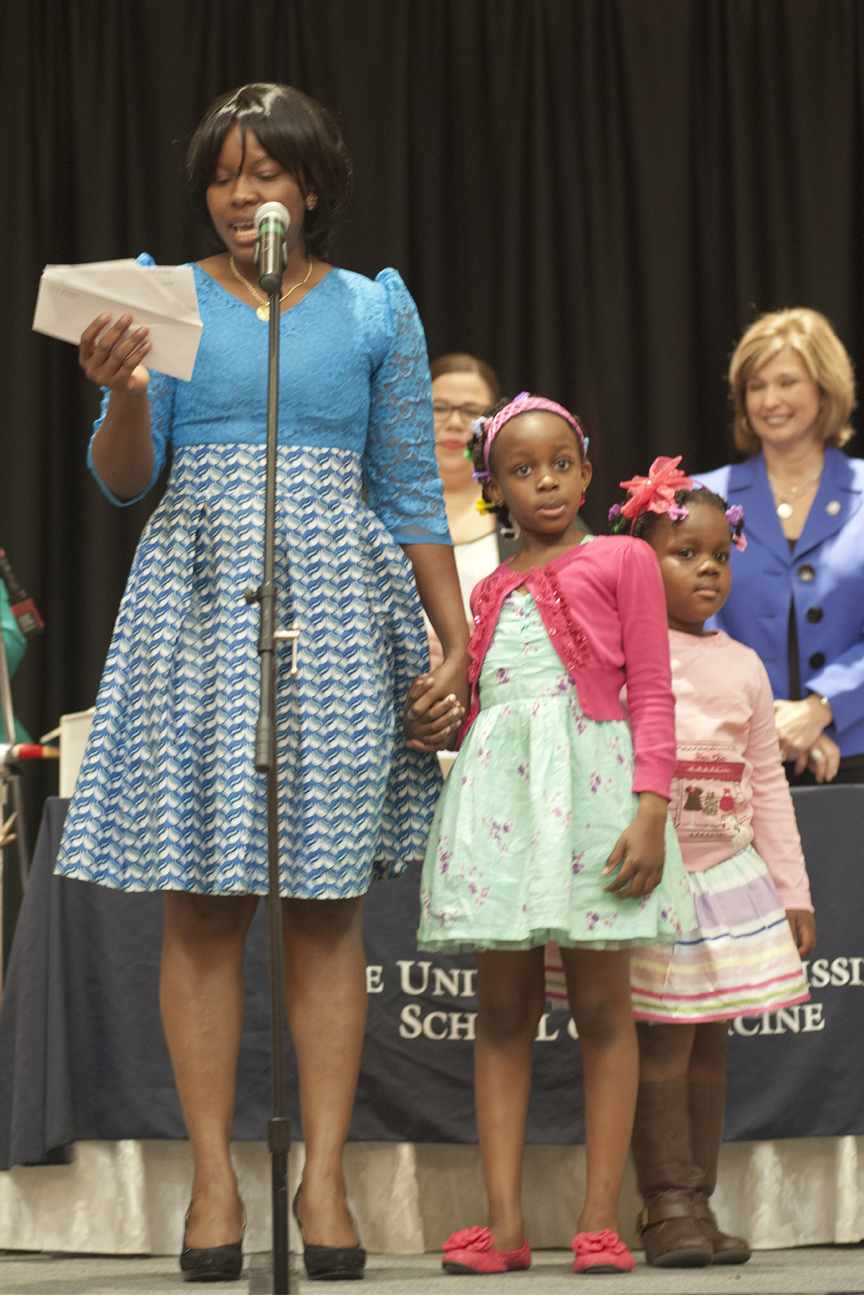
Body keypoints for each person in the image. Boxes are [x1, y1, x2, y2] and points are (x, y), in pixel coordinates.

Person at [54, 83, 469, 1283]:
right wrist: (126, 388)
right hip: (197, 603)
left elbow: (407, 491)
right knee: (200, 905)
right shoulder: (163, 295)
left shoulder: (374, 310)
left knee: (328, 906)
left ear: (312, 187)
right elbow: (126, 481)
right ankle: (212, 1181)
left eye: (267, 173)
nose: (245, 195)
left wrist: (453, 645)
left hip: (339, 607)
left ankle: (324, 1177)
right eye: (226, 175)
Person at [412, 393, 696, 1277]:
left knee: (606, 1010)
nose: (546, 482)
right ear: (492, 487)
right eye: (522, 470)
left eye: (561, 464)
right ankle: (502, 1225)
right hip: (503, 807)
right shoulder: (485, 587)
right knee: (500, 1013)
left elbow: (651, 687)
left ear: (585, 470)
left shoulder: (622, 559)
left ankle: (599, 1220)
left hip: (598, 802)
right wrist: (439, 719)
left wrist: (652, 807)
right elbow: (486, 707)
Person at [608, 461, 815, 1268]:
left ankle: (699, 1197)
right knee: (659, 1038)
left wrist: (791, 890)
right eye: (681, 552)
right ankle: (664, 1207)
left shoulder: (745, 666)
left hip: (729, 883)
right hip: (654, 884)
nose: (705, 568)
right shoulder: (625, 657)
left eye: (718, 556)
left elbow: (767, 784)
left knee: (710, 1040)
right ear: (638, 562)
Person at [697, 308, 864, 787]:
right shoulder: (702, 499)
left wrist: (820, 709)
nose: (770, 400)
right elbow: (687, 632)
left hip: (852, 755)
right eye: (756, 385)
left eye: (787, 382)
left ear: (824, 388)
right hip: (734, 756)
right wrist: (773, 724)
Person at [424, 354, 510, 672]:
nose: (454, 422)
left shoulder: (522, 514)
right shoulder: (377, 509)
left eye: (471, 412)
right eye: (438, 408)